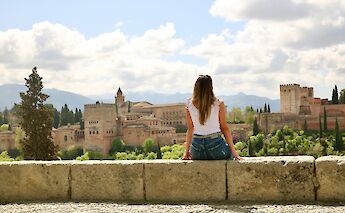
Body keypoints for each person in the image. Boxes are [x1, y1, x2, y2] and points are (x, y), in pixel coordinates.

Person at [183, 75, 242, 160]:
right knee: (229, 155)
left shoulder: (189, 104)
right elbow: (224, 128)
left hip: (197, 149)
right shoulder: (218, 103)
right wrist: (233, 150)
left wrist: (186, 152)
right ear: (211, 87)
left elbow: (190, 129)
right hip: (216, 146)